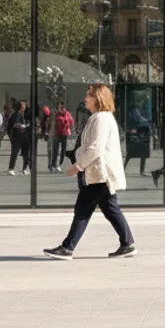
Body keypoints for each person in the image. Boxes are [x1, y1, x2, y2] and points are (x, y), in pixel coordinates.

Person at [43, 84, 136, 260]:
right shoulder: (101, 117)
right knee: (110, 209)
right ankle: (127, 243)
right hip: (100, 174)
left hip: (99, 174)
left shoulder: (101, 119)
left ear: (98, 98)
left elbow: (95, 148)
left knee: (83, 210)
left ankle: (67, 248)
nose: (86, 98)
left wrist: (78, 166)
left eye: (89, 95)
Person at [7, 100, 32, 176]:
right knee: (14, 153)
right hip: (17, 137)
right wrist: (22, 125)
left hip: (25, 137)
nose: (23, 107)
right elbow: (14, 125)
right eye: (22, 106)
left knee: (26, 154)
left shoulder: (27, 115)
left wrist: (27, 125)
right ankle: (11, 168)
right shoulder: (15, 115)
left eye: (24, 105)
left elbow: (30, 123)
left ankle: (24, 169)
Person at [51, 101, 74, 171]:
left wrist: (68, 125)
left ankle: (60, 164)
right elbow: (54, 122)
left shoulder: (67, 113)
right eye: (60, 106)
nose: (62, 107)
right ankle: (53, 164)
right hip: (57, 133)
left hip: (64, 133)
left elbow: (71, 122)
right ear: (58, 106)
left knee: (63, 150)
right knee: (55, 149)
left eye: (63, 106)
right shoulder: (56, 114)